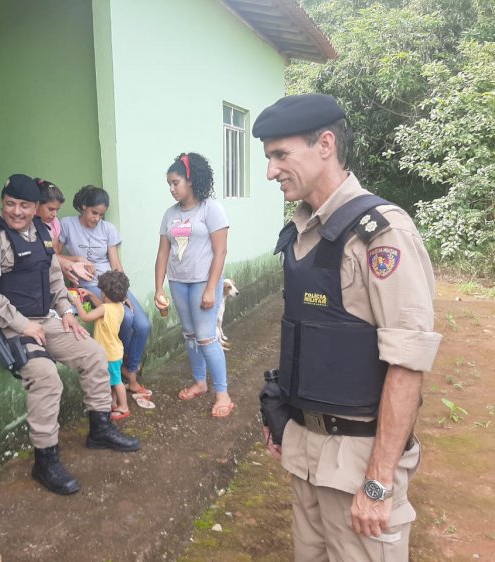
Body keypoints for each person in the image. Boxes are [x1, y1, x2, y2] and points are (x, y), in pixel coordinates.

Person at [252, 93, 442, 561]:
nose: (271, 171)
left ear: (325, 144)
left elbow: (407, 364)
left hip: (359, 461)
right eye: (268, 158)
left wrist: (378, 483)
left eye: (280, 155)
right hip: (307, 452)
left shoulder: (381, 233)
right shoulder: (300, 231)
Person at [0, 174, 140, 496]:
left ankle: (100, 428)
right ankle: (45, 460)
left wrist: (68, 313)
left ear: (35, 208)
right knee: (47, 377)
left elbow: (56, 282)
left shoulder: (43, 233)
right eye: (10, 204)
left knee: (94, 353)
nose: (16, 212)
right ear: (2, 202)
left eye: (24, 205)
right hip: (7, 326)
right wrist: (22, 325)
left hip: (45, 319)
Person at [153, 153, 235, 418]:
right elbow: (163, 253)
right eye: (169, 184)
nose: (172, 188)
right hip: (179, 282)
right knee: (189, 336)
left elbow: (220, 252)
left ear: (190, 180)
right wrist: (158, 288)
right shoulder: (170, 214)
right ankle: (200, 382)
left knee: (206, 337)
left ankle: (223, 393)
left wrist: (212, 288)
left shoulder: (211, 209)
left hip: (203, 282)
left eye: (176, 182)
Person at [58, 186, 152, 397]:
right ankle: (120, 367)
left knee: (144, 324)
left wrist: (123, 292)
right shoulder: (67, 225)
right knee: (126, 318)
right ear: (83, 206)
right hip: (89, 283)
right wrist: (73, 263)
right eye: (93, 213)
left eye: (101, 214)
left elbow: (115, 263)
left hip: (112, 283)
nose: (97, 219)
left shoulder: (108, 229)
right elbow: (53, 256)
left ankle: (130, 368)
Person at [69, 271, 132, 420]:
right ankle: (113, 403)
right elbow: (103, 308)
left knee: (117, 381)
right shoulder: (118, 306)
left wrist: (78, 303)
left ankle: (124, 407)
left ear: (104, 293)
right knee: (114, 379)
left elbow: (85, 317)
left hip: (109, 353)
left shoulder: (105, 309)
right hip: (116, 350)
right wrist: (90, 294)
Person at [35, 178, 94, 286]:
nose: (55, 214)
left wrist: (77, 260)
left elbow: (54, 255)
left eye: (57, 210)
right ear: (36, 204)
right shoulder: (28, 226)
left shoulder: (54, 223)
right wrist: (72, 262)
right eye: (50, 209)